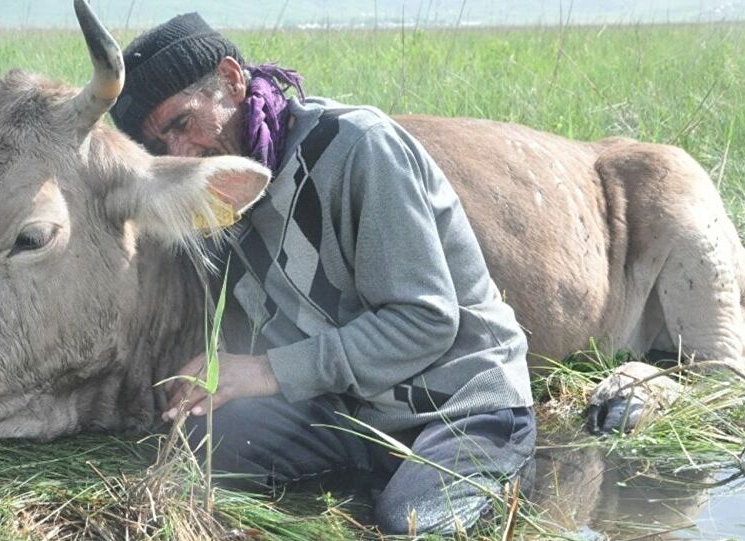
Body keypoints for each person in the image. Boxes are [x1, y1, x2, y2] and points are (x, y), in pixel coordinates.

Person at [110, 13, 536, 536]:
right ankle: (377, 477)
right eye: (158, 147)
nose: (179, 154)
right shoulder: (217, 199)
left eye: (182, 122)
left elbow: (424, 323)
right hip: (351, 410)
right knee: (199, 445)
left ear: (231, 80)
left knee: (416, 525)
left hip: (456, 400)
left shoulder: (357, 146)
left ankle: (494, 464)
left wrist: (264, 371)